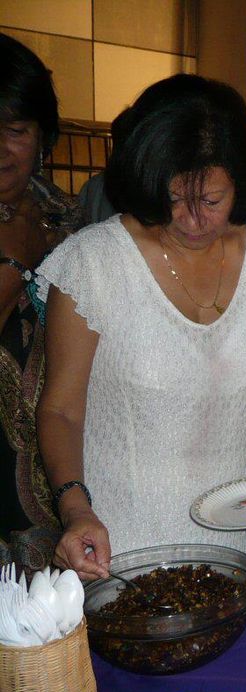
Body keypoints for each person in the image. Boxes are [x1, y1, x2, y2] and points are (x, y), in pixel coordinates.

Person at [36, 74, 246, 579]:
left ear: (240, 183)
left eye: (212, 201)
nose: (193, 221)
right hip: (116, 544)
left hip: (230, 544)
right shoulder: (93, 263)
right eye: (175, 199)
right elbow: (61, 409)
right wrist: (75, 509)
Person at [0, 34, 82, 540]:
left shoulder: (65, 213)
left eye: (15, 130)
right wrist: (16, 258)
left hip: (56, 461)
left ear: (43, 137)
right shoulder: (36, 230)